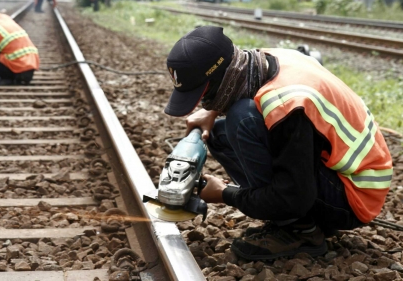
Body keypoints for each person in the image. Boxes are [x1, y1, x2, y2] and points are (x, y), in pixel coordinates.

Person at [164, 26, 392, 261]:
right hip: (337, 173)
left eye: (203, 96)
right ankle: (302, 220)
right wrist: (212, 111)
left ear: (223, 79)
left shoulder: (288, 104)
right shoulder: (261, 61)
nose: (204, 103)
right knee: (221, 134)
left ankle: (300, 230)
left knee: (241, 118)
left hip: (355, 196)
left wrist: (225, 194)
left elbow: (293, 196)